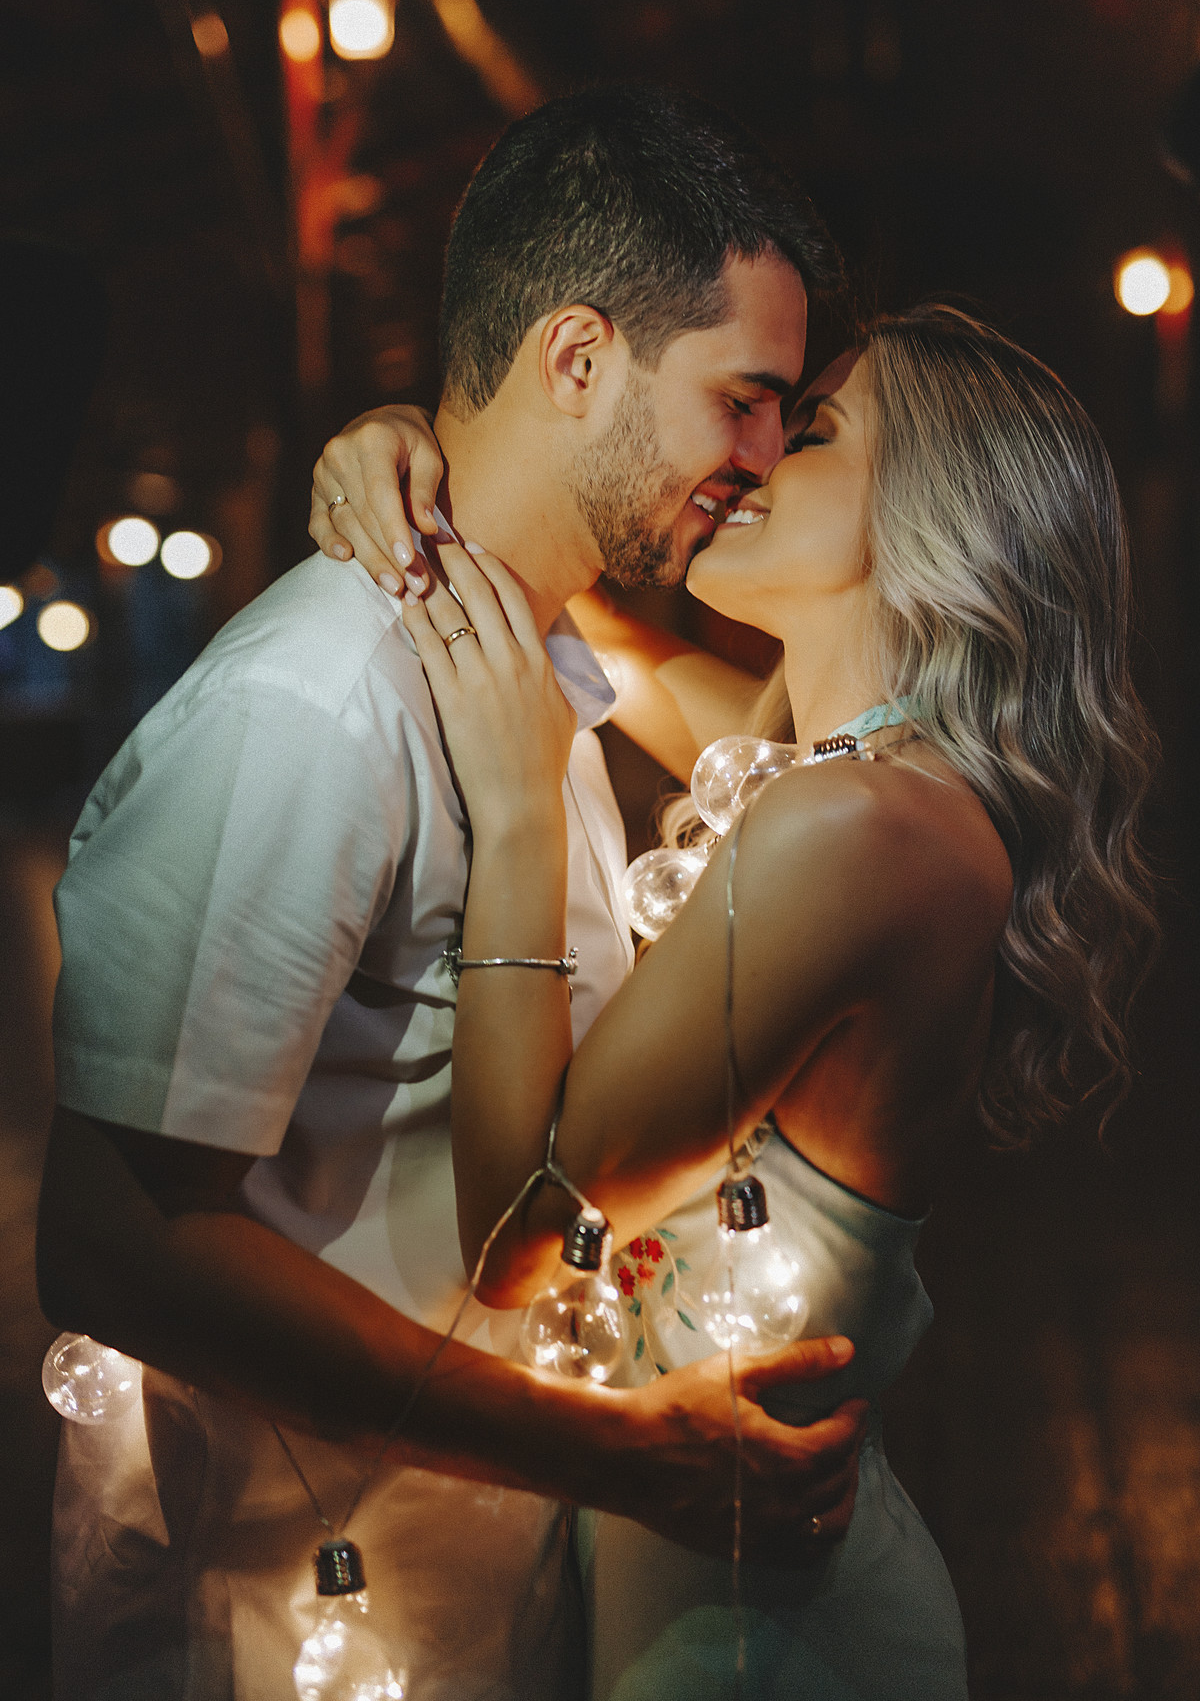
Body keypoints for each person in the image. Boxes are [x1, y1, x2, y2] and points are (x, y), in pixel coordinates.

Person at [37, 86, 868, 1701]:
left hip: (474, 1589)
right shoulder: (312, 707)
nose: (760, 463)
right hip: (268, 1625)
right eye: (745, 400)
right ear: (576, 360)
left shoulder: (525, 676)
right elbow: (116, 1244)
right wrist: (622, 1455)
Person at [319, 306, 1157, 1697]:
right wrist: (409, 453)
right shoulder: (823, 779)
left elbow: (524, 1228)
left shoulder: (866, 831)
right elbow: (587, 627)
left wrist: (521, 813)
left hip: (767, 1634)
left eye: (812, 430)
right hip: (692, 1573)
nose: (753, 456)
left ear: (942, 508)